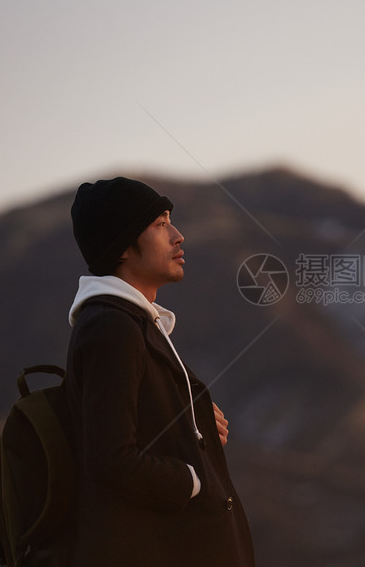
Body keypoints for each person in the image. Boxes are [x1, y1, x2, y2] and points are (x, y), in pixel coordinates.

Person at [66, 177, 256, 566]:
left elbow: (140, 430)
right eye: (159, 223)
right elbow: (111, 458)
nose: (178, 235)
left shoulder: (133, 322)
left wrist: (195, 428)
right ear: (121, 245)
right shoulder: (111, 326)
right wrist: (194, 481)